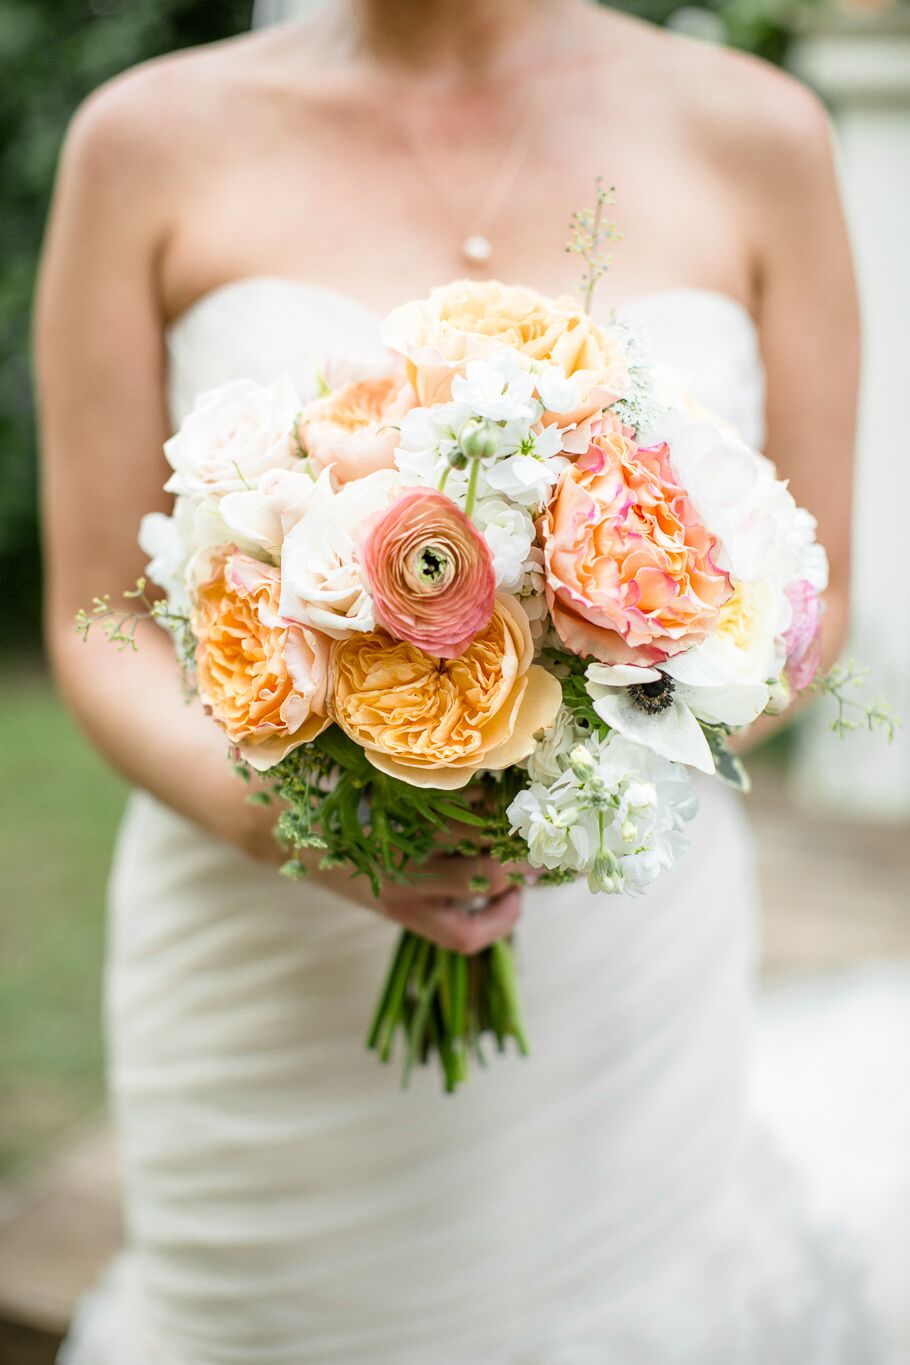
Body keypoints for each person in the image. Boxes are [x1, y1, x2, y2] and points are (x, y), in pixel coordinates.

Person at [37, 1, 872, 1361]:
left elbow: (805, 598)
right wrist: (291, 813)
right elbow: (94, 615)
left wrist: (577, 764)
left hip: (619, 958)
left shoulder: (759, 133)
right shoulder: (140, 143)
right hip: (260, 964)